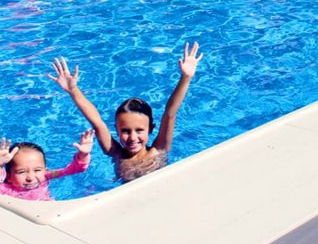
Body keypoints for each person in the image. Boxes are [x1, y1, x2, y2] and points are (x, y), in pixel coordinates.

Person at [49, 41, 203, 181]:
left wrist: (186, 78)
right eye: (126, 131)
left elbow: (170, 114)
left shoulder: (159, 149)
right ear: (116, 129)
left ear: (151, 129)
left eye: (139, 130)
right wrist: (73, 90)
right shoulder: (117, 154)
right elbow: (97, 122)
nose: (133, 137)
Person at [0, 130, 93, 201]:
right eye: (21, 172)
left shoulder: (47, 176)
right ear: (9, 176)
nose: (31, 177)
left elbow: (74, 169)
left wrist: (84, 154)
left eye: (37, 170)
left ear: (45, 170)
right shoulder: (5, 189)